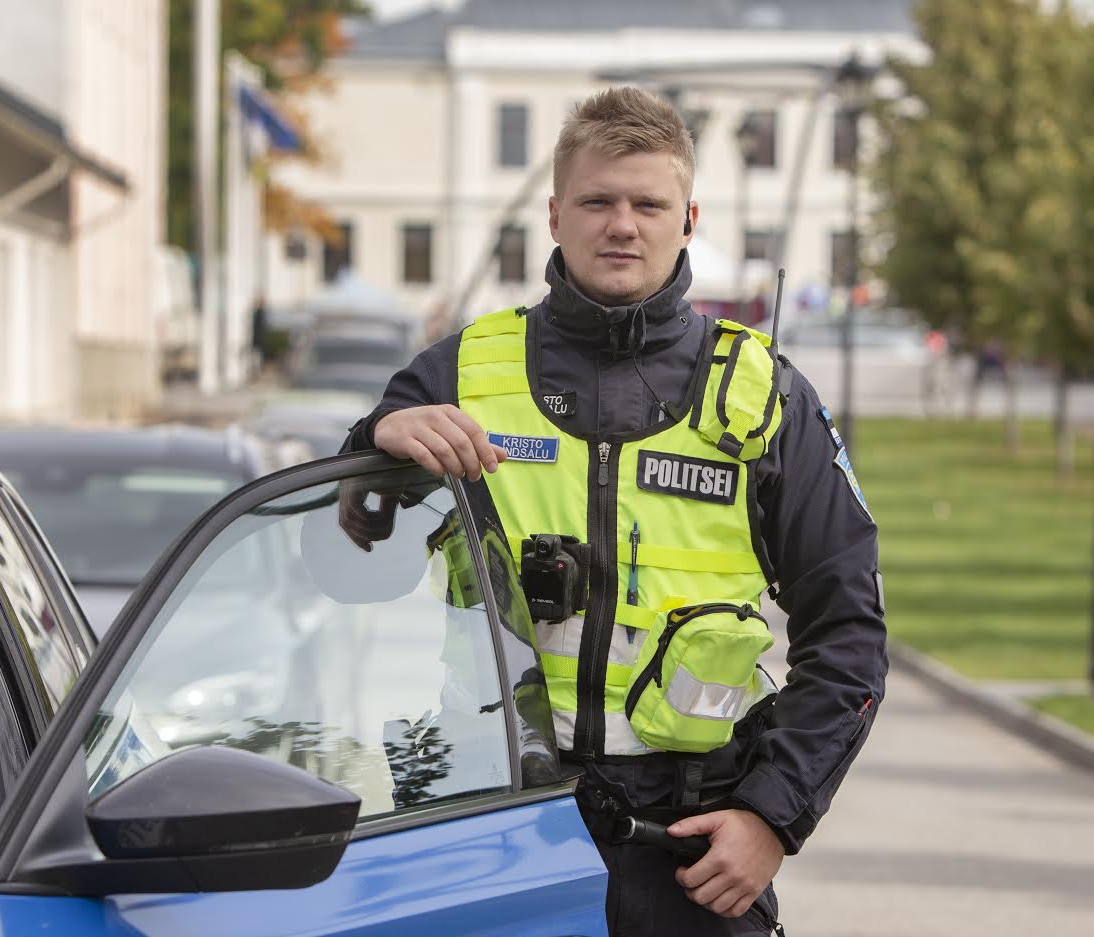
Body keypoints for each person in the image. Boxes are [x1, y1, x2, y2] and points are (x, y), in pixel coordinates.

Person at [341, 87, 886, 936]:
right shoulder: (461, 372)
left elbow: (849, 633)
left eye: (646, 203)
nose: (621, 224)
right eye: (597, 200)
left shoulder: (760, 395)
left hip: (691, 846)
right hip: (494, 823)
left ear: (688, 216)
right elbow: (346, 569)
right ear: (555, 214)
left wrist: (772, 819)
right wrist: (374, 441)